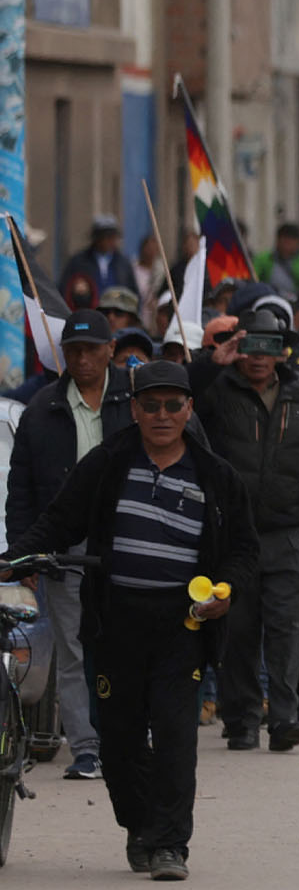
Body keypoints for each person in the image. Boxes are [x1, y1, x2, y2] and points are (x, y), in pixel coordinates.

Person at [6, 360, 258, 882]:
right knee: (117, 741)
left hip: (183, 626)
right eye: (151, 404)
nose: (162, 415)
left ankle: (170, 844)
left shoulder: (216, 475)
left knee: (174, 735)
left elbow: (242, 551)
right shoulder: (108, 462)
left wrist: (227, 591)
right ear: (135, 409)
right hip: (116, 621)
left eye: (173, 405)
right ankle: (140, 825)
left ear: (189, 408)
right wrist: (15, 559)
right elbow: (60, 520)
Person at [194, 310, 299, 753]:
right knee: (238, 629)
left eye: (270, 346)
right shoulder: (217, 391)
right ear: (238, 347)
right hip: (235, 535)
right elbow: (183, 400)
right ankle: (240, 719)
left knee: (287, 626)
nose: (259, 356)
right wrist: (211, 363)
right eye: (251, 345)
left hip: (291, 531)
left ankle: (283, 717)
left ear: (282, 352)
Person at [6, 310, 133, 781]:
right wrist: (22, 555)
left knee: (126, 645)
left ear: (110, 349)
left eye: (91, 349)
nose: (82, 359)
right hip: (64, 548)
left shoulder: (135, 401)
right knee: (74, 652)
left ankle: (128, 736)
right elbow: (21, 490)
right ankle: (86, 748)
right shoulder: (42, 410)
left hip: (127, 542)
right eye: (74, 350)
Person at [61, 215, 132, 310]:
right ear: (96, 238)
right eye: (106, 237)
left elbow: (132, 291)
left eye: (113, 237)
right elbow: (65, 290)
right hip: (89, 312)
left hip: (116, 313)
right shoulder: (79, 262)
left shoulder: (123, 263)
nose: (110, 241)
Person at [254, 223, 299, 302]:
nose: (286, 246)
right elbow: (253, 281)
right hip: (271, 300)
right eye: (284, 241)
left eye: (289, 242)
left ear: (298, 243)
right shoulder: (264, 258)